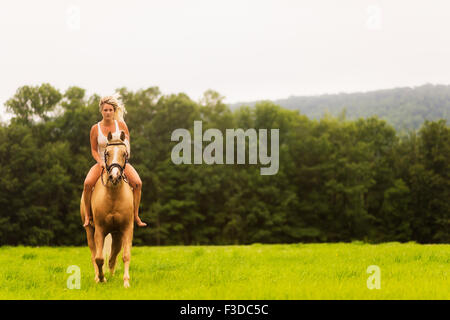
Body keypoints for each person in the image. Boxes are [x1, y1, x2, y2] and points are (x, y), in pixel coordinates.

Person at [82, 94, 147, 228]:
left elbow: (127, 144)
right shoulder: (95, 128)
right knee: (87, 184)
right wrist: (100, 161)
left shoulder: (121, 125)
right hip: (102, 163)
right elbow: (94, 150)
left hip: (120, 163)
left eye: (110, 110)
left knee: (138, 183)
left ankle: (135, 215)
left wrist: (124, 160)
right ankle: (88, 216)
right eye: (105, 110)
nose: (108, 112)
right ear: (101, 111)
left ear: (114, 111)